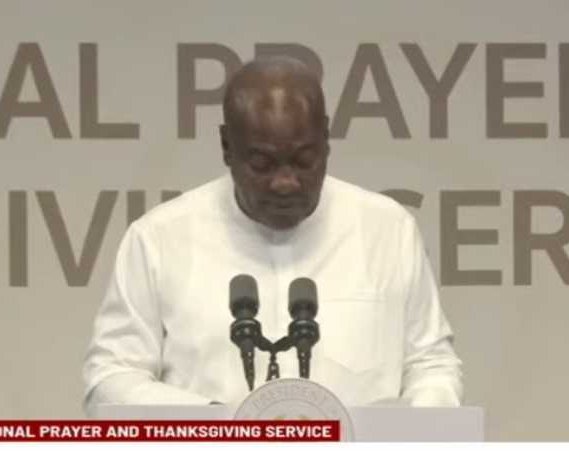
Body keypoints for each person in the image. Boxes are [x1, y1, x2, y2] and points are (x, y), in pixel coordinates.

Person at [82, 56, 463, 411]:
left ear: (326, 140)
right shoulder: (159, 239)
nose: (285, 182)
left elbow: (431, 365)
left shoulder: (387, 230)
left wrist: (407, 430)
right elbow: (111, 378)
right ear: (227, 147)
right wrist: (215, 426)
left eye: (303, 160)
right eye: (262, 163)